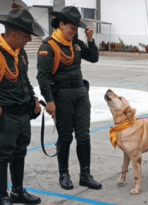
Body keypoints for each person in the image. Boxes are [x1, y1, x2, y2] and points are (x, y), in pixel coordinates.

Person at [37, 6, 102, 190]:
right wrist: (49, 101)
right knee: (65, 137)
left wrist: (90, 40)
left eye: (76, 29)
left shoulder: (76, 44)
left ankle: (85, 174)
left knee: (83, 135)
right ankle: (63, 173)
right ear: (61, 24)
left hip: (81, 93)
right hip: (62, 95)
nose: (74, 32)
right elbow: (42, 76)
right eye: (72, 28)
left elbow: (93, 57)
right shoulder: (48, 46)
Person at [0, 8, 43, 205]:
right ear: (14, 33)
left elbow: (24, 79)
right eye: (27, 36)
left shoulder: (20, 51)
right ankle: (1, 196)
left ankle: (17, 190)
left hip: (22, 113)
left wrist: (33, 99)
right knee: (2, 155)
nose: (29, 40)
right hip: (5, 115)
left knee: (20, 152)